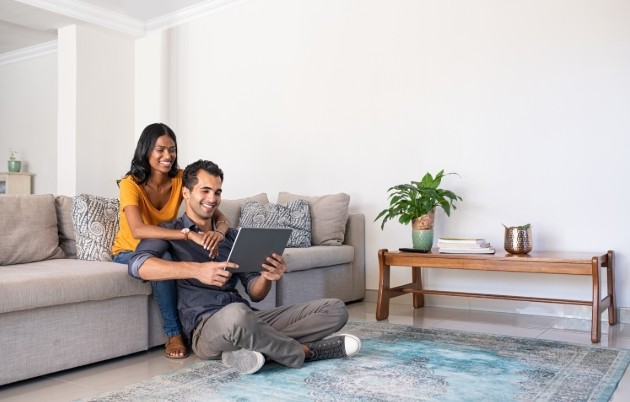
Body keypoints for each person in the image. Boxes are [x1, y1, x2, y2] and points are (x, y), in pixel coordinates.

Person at [127, 160, 361, 374]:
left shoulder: (230, 236)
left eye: (217, 192)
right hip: (206, 329)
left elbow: (256, 294)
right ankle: (304, 351)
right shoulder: (170, 232)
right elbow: (137, 265)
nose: (212, 199)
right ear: (186, 193)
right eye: (205, 191)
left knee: (335, 309)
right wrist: (197, 270)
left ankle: (251, 350)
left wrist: (268, 276)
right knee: (237, 317)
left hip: (248, 317)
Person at [112, 123, 231, 359]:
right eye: (160, 150)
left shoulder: (180, 178)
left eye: (172, 150)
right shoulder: (130, 183)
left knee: (191, 256)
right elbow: (137, 230)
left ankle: (211, 320)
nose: (168, 156)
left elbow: (217, 213)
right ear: (146, 150)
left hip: (164, 242)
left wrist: (220, 233)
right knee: (164, 259)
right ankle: (174, 333)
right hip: (130, 250)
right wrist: (187, 234)